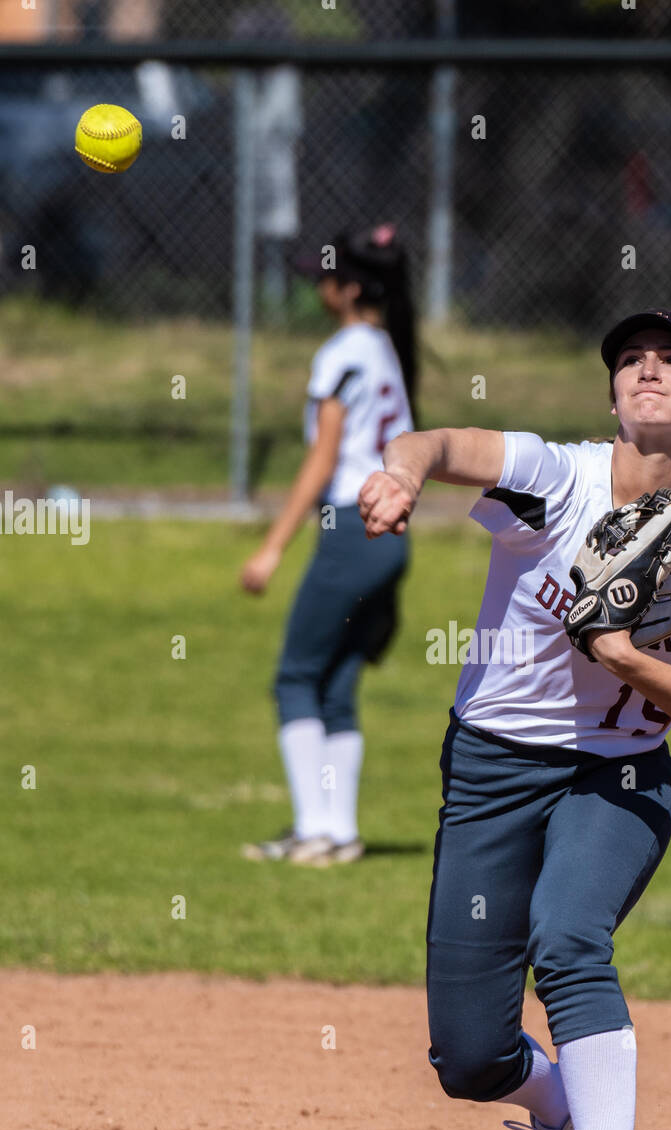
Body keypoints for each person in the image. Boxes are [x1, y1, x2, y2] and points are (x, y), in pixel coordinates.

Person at [358, 308, 671, 1130]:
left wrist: (621, 655)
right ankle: (555, 1113)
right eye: (631, 359)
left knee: (570, 935)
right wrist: (402, 472)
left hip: (619, 777)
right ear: (614, 391)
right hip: (493, 768)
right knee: (466, 1057)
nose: (649, 370)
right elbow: (437, 439)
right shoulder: (557, 475)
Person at [241, 225, 416, 867]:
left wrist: (271, 549)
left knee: (295, 677)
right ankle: (337, 833)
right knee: (337, 684)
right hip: (393, 535)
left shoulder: (342, 351)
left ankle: (315, 829)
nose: (316, 285)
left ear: (346, 289)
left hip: (351, 528)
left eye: (324, 275)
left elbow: (322, 462)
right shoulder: (391, 350)